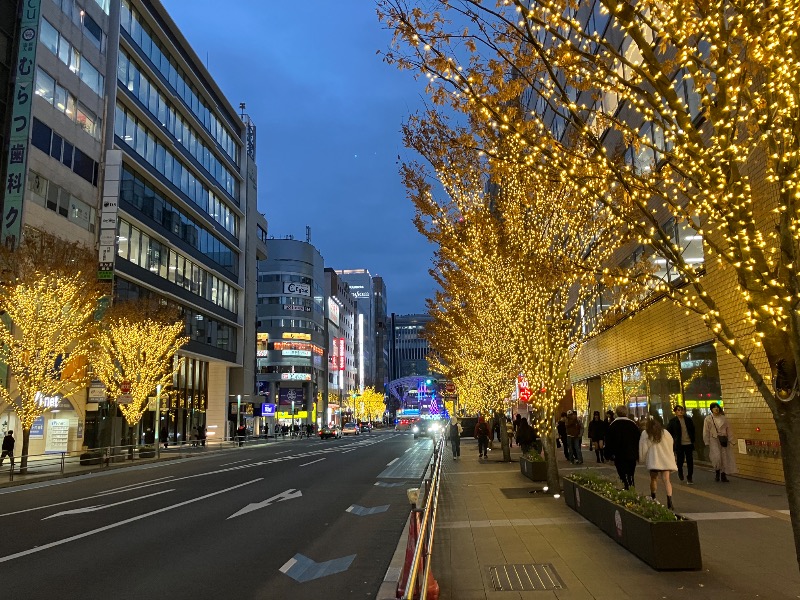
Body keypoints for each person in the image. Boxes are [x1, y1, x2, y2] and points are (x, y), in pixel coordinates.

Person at [639, 418, 678, 509]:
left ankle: (654, 498)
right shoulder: (665, 433)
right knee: (667, 480)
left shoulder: (646, 433)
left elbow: (643, 448)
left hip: (654, 461)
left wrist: (642, 459)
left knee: (653, 479)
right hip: (665, 460)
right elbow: (671, 444)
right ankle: (669, 501)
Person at [604, 405, 640, 489]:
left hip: (619, 455)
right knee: (631, 473)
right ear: (626, 413)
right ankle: (631, 486)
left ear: (617, 413)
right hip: (631, 454)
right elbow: (638, 439)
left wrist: (608, 454)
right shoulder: (633, 425)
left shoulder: (613, 425)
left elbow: (609, 441)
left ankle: (626, 486)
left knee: (622, 473)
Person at [703, 402, 737, 482]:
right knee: (717, 457)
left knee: (724, 457)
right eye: (714, 407)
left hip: (723, 439)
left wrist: (732, 440)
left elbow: (729, 429)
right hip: (713, 439)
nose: (716, 409)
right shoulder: (708, 419)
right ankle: (717, 472)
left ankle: (723, 475)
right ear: (711, 409)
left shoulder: (724, 418)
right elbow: (706, 431)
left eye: (717, 407)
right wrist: (706, 441)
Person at [667, 405, 696, 484]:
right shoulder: (673, 421)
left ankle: (689, 477)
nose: (680, 411)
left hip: (689, 443)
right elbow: (669, 432)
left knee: (690, 460)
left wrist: (693, 439)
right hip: (679, 444)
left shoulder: (688, 420)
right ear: (675, 412)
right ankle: (680, 472)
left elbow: (693, 430)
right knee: (680, 460)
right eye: (678, 410)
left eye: (682, 410)